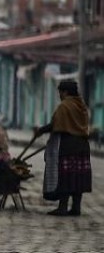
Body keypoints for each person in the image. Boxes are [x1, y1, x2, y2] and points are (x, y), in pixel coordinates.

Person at [35, 79, 92, 216]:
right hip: (83, 145)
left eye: (60, 92)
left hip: (68, 145)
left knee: (65, 176)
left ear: (65, 92)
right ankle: (76, 208)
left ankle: (62, 207)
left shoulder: (64, 106)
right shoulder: (81, 105)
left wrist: (41, 130)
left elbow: (55, 125)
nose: (59, 95)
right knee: (78, 176)